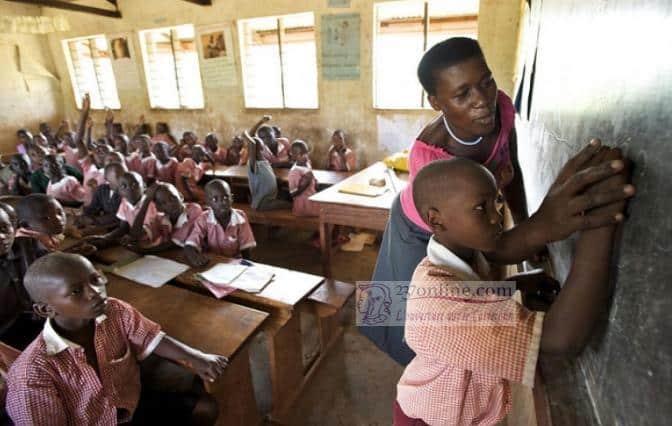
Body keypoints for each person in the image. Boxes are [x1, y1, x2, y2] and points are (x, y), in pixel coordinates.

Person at [365, 37, 637, 366]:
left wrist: (525, 221)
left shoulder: (502, 109)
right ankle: (423, 384)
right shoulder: (432, 157)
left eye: (487, 82)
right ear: (436, 102)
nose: (482, 100)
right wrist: (544, 226)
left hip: (460, 218)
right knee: (415, 316)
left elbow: (513, 168)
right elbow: (491, 247)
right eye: (463, 94)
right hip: (419, 229)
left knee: (460, 296)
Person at [393, 156, 633, 425]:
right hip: (430, 420)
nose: (496, 216)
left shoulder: (463, 253)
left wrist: (514, 286)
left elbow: (477, 287)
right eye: (481, 208)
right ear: (436, 220)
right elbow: (560, 340)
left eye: (496, 200)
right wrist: (598, 223)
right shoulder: (440, 304)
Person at [5, 252, 226, 425]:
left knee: (206, 409)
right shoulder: (31, 375)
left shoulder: (114, 310)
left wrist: (196, 356)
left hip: (130, 404)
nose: (95, 292)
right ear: (45, 309)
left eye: (95, 279)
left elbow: (149, 336)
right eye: (75, 291)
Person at [184, 180, 256, 266]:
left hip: (234, 262)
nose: (222, 202)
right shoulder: (204, 219)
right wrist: (193, 256)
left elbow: (246, 247)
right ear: (208, 202)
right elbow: (191, 243)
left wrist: (246, 265)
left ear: (232, 198)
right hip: (212, 261)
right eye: (215, 199)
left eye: (226, 197)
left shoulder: (240, 217)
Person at [85, 172, 163, 250]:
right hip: (136, 243)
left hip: (154, 245)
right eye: (123, 186)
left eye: (134, 184)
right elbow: (123, 228)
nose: (130, 188)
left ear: (144, 186)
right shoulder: (124, 203)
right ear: (119, 192)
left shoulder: (151, 205)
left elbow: (143, 232)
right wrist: (105, 237)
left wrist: (129, 238)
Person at [136, 183, 204, 252]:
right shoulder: (161, 219)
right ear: (159, 208)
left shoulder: (194, 209)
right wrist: (146, 201)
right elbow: (137, 235)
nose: (170, 204)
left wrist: (145, 251)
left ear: (180, 196)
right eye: (163, 203)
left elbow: (174, 242)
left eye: (172, 198)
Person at [244, 128, 291, 211]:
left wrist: (275, 180)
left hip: (271, 197)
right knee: (289, 206)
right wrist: (246, 135)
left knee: (288, 199)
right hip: (263, 202)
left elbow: (266, 175)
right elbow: (252, 144)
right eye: (258, 146)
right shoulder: (254, 163)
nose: (263, 143)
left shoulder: (264, 161)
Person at [77, 162, 126, 232]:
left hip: (118, 228)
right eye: (117, 177)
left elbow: (119, 217)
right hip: (101, 225)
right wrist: (84, 214)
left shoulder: (125, 193)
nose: (120, 181)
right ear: (106, 178)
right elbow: (93, 207)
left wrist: (95, 220)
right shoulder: (102, 190)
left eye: (122, 177)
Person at [288, 140, 320, 217]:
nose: (305, 156)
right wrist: (305, 183)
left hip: (311, 199)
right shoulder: (294, 171)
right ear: (294, 156)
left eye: (306, 153)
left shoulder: (307, 163)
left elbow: (311, 178)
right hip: (303, 205)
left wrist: (315, 182)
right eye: (301, 155)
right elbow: (293, 193)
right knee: (329, 213)